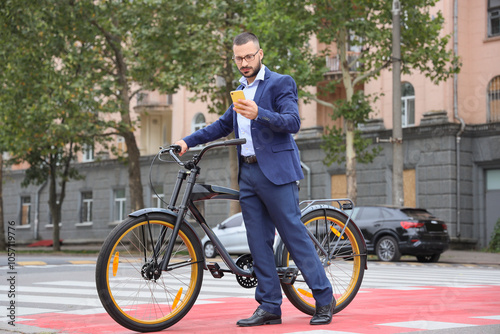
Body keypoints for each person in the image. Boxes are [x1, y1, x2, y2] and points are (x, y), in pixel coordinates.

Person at [175, 32, 334, 327]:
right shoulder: (239, 90)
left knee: (293, 237)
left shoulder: (280, 82)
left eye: (249, 56)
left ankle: (324, 300)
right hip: (247, 174)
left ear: (261, 53)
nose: (244, 63)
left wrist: (261, 113)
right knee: (258, 243)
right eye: (238, 58)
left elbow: (293, 122)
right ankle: (270, 306)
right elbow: (222, 125)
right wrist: (187, 142)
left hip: (277, 173)